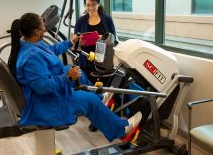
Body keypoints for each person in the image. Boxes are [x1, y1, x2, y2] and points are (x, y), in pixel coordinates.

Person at [8, 12, 142, 142]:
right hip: (43, 103)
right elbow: (43, 87)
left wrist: (70, 42)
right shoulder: (31, 56)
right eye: (43, 25)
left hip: (43, 93)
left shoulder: (29, 42)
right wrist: (67, 77)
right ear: (37, 31)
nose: (45, 27)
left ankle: (101, 100)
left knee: (78, 72)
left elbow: (52, 50)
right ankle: (121, 130)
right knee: (89, 100)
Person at [74, 0, 116, 86]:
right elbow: (74, 42)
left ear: (98, 4)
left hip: (104, 62)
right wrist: (78, 41)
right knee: (89, 88)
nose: (91, 8)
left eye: (94, 4)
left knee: (105, 89)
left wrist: (103, 38)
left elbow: (114, 38)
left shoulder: (107, 19)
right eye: (88, 5)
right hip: (86, 60)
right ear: (85, 5)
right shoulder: (80, 21)